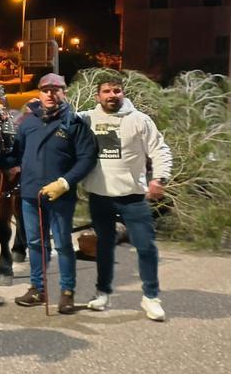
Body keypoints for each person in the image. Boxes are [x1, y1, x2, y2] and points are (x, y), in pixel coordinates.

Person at [0, 73, 97, 313]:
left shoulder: (75, 123)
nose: (51, 94)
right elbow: (17, 154)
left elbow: (87, 158)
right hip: (30, 194)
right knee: (35, 243)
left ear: (64, 92)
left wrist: (65, 183)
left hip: (60, 195)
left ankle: (67, 292)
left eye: (56, 89)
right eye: (46, 89)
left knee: (63, 244)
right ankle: (37, 288)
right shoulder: (29, 123)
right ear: (40, 92)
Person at [80, 76, 172, 321]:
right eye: (106, 91)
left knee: (146, 247)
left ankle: (151, 297)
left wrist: (159, 179)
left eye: (116, 90)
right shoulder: (86, 118)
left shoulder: (140, 120)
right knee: (104, 248)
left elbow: (160, 149)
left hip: (133, 197)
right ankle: (103, 293)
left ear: (123, 93)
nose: (112, 95)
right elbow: (60, 124)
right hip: (100, 196)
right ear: (97, 96)